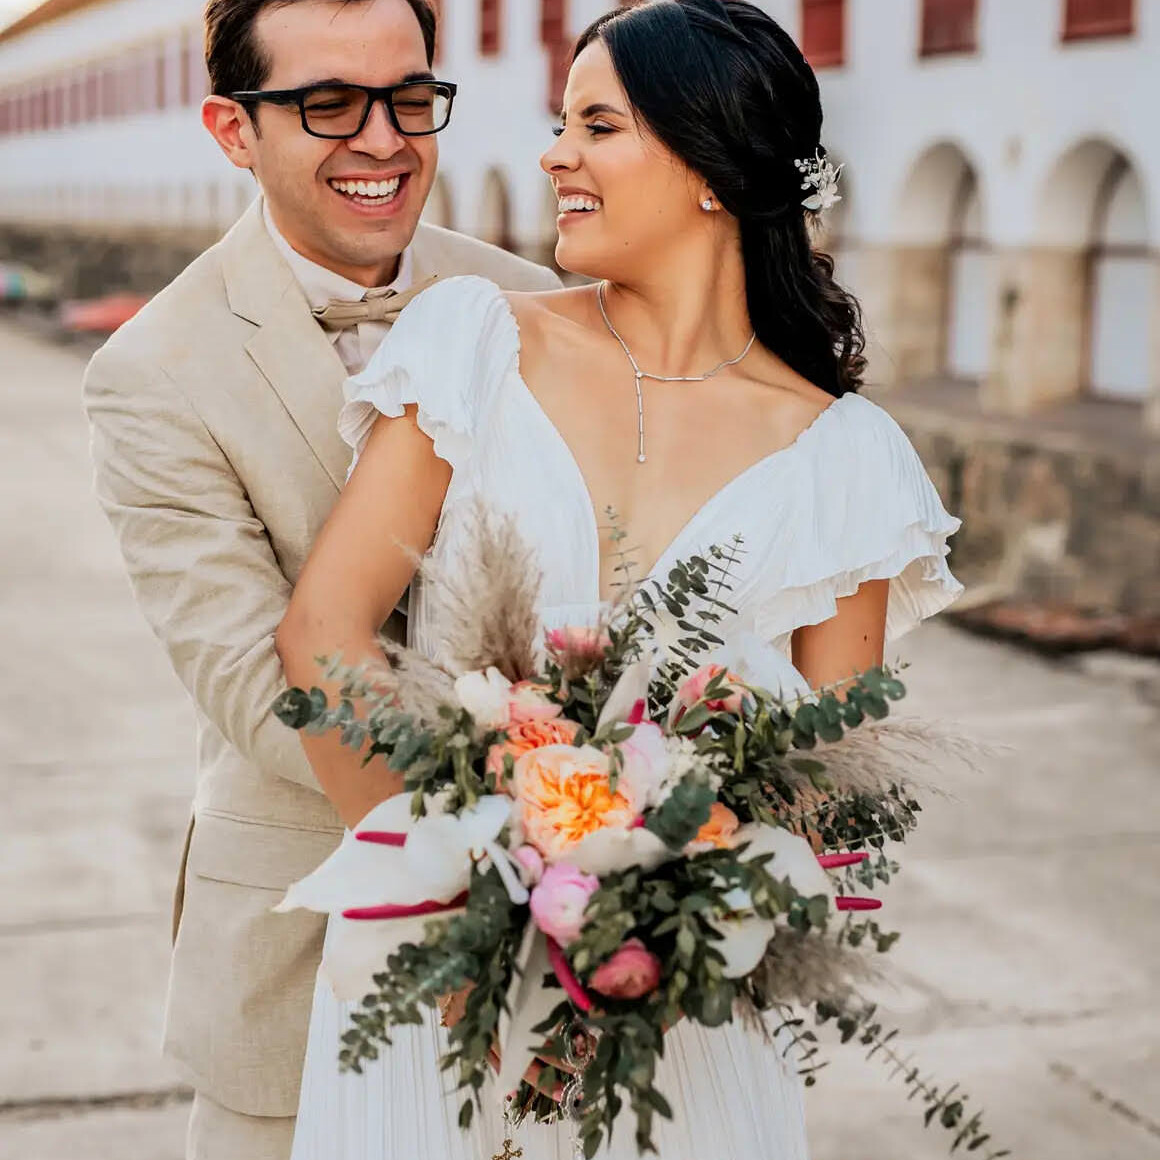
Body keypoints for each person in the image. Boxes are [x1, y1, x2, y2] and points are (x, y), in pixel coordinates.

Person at [275, 0, 964, 1156]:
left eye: (596, 124)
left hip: (672, 1021)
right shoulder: (476, 338)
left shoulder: (851, 463)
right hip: (431, 988)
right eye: (560, 123)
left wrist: (639, 943)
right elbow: (322, 632)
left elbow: (829, 786)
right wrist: (463, 921)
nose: (555, 154)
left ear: (707, 165)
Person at [81, 1, 561, 1157]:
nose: (384, 140)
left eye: (408, 97)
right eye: (328, 104)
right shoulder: (148, 372)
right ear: (231, 129)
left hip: (570, 933)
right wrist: (480, 848)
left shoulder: (533, 302)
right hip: (300, 943)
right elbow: (254, 679)